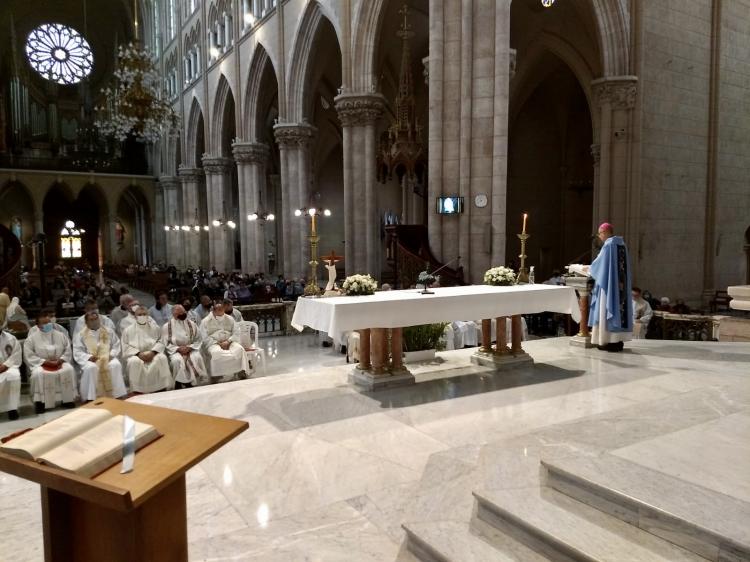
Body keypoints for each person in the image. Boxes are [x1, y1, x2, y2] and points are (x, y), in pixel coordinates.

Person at [588, 222, 632, 351]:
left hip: (608, 286)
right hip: (620, 286)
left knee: (607, 310)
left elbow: (599, 266)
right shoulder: (621, 244)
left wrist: (589, 269)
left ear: (606, 232)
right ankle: (617, 341)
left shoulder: (608, 245)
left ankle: (607, 341)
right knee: (619, 309)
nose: (599, 236)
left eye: (600, 233)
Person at [24, 309, 78, 413]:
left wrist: (61, 360)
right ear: (38, 325)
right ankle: (40, 403)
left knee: (69, 369)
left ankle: (67, 400)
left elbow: (67, 349)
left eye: (48, 322)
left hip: (59, 362)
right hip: (41, 364)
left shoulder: (60, 335)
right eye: (44, 323)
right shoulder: (31, 339)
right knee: (37, 374)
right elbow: (29, 355)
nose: (47, 324)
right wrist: (44, 362)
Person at [73, 311, 128, 400]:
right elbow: (77, 351)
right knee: (91, 367)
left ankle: (117, 394)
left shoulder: (108, 331)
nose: (95, 321)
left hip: (107, 357)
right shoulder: (80, 335)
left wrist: (111, 354)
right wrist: (88, 357)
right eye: (91, 320)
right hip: (91, 360)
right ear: (86, 322)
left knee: (115, 364)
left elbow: (116, 344)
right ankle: (91, 397)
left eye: (96, 319)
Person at [121, 306, 172, 393]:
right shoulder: (128, 330)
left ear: (148, 315)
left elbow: (160, 341)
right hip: (137, 355)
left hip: (152, 353)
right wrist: (139, 354)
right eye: (139, 314)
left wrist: (153, 352)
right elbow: (125, 346)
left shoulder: (155, 328)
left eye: (144, 314)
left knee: (162, 358)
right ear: (135, 316)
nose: (142, 316)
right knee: (133, 362)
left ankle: (161, 387)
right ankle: (137, 389)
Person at [200, 301, 249, 382]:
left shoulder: (229, 319)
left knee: (240, 349)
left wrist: (228, 341)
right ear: (213, 311)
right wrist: (218, 343)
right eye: (219, 312)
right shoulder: (205, 321)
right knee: (216, 353)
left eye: (222, 312)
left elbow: (236, 332)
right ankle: (216, 375)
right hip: (214, 343)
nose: (221, 316)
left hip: (229, 341)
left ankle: (241, 371)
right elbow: (204, 337)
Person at [163, 304, 208, 389]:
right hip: (176, 350)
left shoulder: (192, 324)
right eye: (180, 313)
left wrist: (190, 347)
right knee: (176, 361)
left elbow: (198, 339)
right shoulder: (167, 326)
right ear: (174, 314)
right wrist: (178, 348)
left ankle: (192, 382)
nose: (183, 314)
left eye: (184, 312)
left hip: (190, 348)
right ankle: (178, 382)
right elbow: (166, 343)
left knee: (197, 357)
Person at [0, 326, 22, 420]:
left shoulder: (10, 338)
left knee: (13, 375)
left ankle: (12, 408)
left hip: (8, 367)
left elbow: (16, 353)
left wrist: (6, 365)